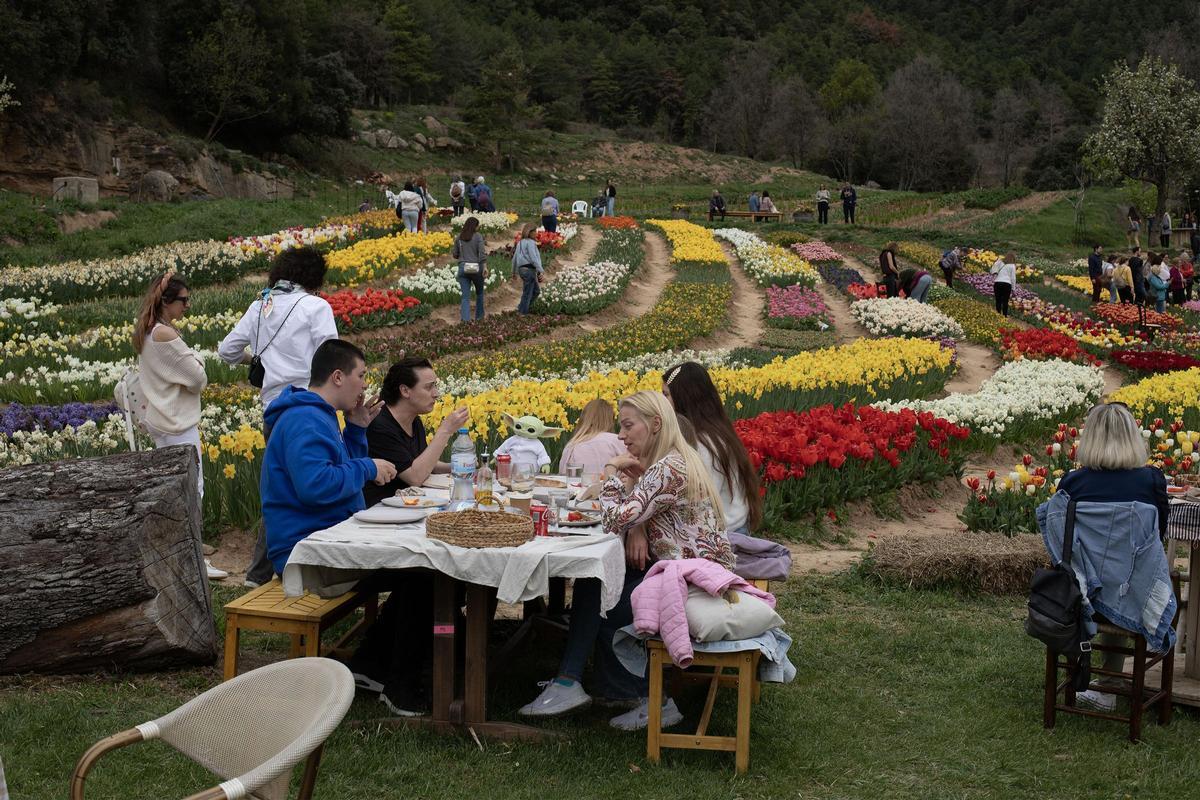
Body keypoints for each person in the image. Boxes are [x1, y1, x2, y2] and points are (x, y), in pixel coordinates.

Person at [519, 391, 731, 730]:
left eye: (628, 426)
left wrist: (612, 471)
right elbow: (633, 514)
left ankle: (642, 697)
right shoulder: (675, 460)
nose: (621, 436)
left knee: (603, 594)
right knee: (598, 582)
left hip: (693, 583)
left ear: (656, 424)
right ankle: (577, 682)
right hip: (692, 570)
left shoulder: (668, 468)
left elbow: (614, 519)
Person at [219, 246, 339, 586]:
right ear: (313, 276)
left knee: (279, 488)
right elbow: (331, 356)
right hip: (308, 408)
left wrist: (260, 360)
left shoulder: (260, 305)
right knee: (314, 487)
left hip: (273, 408)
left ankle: (258, 574)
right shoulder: (316, 306)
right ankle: (315, 570)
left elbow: (226, 349)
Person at [1054, 402, 1169, 713]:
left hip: (1081, 592)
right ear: (1133, 437)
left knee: (1104, 579)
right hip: (1134, 596)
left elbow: (1061, 540)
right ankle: (1110, 681)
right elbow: (1159, 535)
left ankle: (1092, 677)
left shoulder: (1072, 484)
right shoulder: (1151, 481)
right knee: (1127, 578)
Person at [132, 272, 219, 579]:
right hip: (178, 424)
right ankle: (193, 558)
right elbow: (198, 378)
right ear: (167, 301)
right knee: (192, 489)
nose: (187, 305)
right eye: (183, 300)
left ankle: (179, 552)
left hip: (162, 421)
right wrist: (197, 356)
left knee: (175, 490)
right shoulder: (166, 335)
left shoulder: (148, 330)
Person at [661, 362, 762, 535]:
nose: (661, 402)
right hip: (725, 525)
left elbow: (698, 501)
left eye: (666, 395)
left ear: (684, 398)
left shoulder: (705, 443)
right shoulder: (713, 431)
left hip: (724, 534)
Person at [363, 358, 470, 507]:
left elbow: (423, 462)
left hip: (408, 504)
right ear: (405, 391)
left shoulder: (414, 420)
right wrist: (445, 430)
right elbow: (415, 476)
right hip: (382, 510)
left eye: (435, 386)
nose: (436, 394)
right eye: (429, 387)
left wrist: (461, 466)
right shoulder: (379, 425)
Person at [559, 398, 627, 478]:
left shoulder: (571, 445)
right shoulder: (616, 441)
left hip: (577, 489)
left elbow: (562, 475)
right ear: (610, 420)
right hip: (609, 488)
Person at [453, 216, 487, 322]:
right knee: (479, 293)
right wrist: (485, 267)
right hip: (476, 268)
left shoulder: (459, 237)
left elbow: (455, 254)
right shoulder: (478, 237)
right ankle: (479, 318)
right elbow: (481, 253)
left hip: (463, 268)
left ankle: (465, 320)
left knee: (465, 297)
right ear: (475, 226)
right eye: (477, 226)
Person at [512, 223, 543, 315]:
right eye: (535, 232)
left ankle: (522, 307)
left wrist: (514, 272)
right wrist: (541, 270)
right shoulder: (531, 243)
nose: (536, 234)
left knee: (536, 291)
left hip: (522, 269)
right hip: (529, 269)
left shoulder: (520, 243)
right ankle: (522, 312)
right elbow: (534, 258)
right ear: (530, 232)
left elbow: (514, 258)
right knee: (528, 292)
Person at [989, 252, 1016, 316]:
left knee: (998, 300)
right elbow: (1013, 278)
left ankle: (998, 315)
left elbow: (992, 270)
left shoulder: (1000, 263)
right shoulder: (1012, 266)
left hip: (997, 283)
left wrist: (997, 261)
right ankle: (1004, 316)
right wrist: (1013, 288)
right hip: (1007, 284)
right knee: (1005, 301)